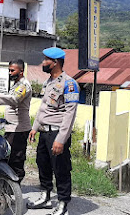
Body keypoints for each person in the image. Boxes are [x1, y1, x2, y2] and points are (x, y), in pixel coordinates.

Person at [26, 47, 80, 215]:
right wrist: (35, 128)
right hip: (44, 133)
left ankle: (63, 203)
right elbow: (43, 108)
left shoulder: (70, 84)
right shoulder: (48, 82)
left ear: (55, 62)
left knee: (61, 169)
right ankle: (46, 196)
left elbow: (70, 114)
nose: (43, 63)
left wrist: (61, 139)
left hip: (57, 133)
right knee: (43, 165)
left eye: (46, 60)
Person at [0, 59, 32, 183]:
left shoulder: (24, 85)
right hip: (11, 127)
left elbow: (14, 100)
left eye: (12, 70)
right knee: (8, 155)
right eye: (9, 70)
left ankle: (16, 184)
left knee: (17, 157)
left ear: (21, 71)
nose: (10, 73)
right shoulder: (17, 84)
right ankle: (9, 183)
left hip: (19, 128)